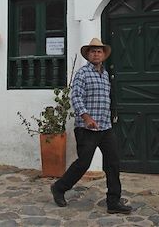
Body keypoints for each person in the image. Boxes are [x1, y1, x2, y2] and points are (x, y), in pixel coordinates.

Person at [50, 38, 132, 215]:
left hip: (105, 126)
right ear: (88, 55)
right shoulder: (82, 73)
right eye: (93, 51)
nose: (96, 54)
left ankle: (113, 202)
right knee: (83, 163)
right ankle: (59, 187)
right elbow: (76, 97)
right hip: (87, 127)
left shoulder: (105, 75)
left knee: (113, 163)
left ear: (103, 55)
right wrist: (86, 117)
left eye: (99, 51)